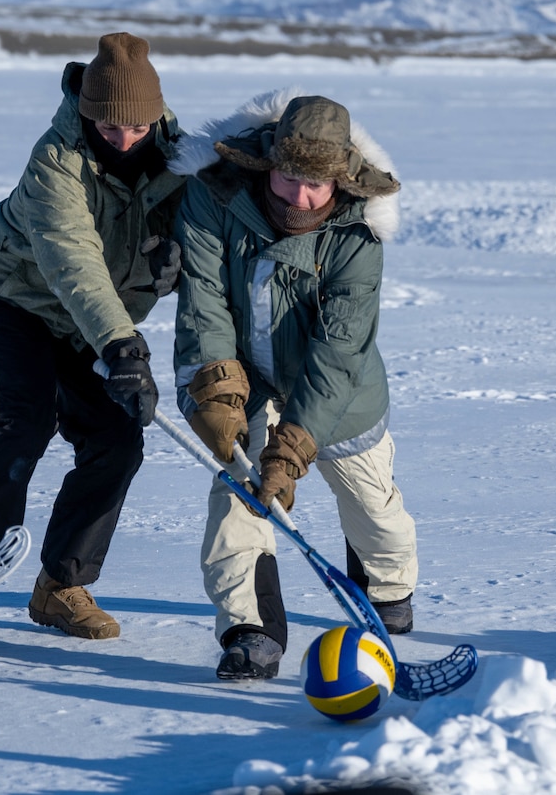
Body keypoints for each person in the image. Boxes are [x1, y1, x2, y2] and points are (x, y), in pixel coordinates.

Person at [0, 33, 187, 654]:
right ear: (88, 110)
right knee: (22, 421)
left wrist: (177, 258)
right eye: (108, 123)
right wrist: (123, 347)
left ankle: (59, 587)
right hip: (11, 300)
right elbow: (74, 262)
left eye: (137, 126)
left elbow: (213, 225)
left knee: (117, 439)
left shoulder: (181, 159)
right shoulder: (56, 160)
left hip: (96, 321)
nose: (123, 137)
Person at [170, 93, 418, 681]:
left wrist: (295, 446)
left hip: (339, 392)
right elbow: (204, 307)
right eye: (288, 179)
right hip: (247, 381)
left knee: (373, 512)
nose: (299, 199)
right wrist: (219, 397)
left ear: (342, 179)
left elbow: (338, 353)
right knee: (240, 498)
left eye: (316, 186)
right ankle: (250, 631)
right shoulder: (215, 194)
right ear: (268, 163)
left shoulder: (357, 233)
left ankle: (386, 591)